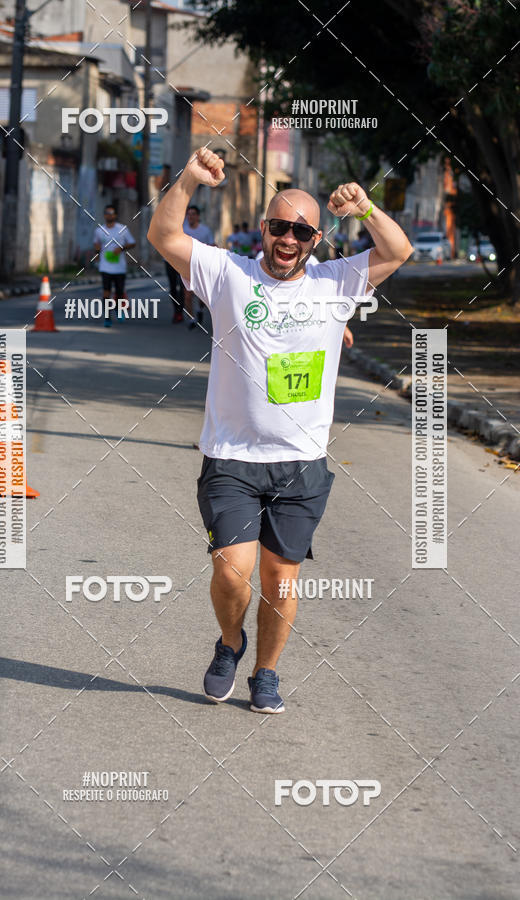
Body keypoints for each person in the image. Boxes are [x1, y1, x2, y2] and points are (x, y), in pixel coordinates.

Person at [148, 147, 412, 714]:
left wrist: (364, 209)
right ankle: (230, 642)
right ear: (262, 230)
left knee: (281, 579)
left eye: (301, 231)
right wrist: (191, 179)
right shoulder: (227, 274)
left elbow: (398, 250)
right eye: (278, 227)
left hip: (301, 462)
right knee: (230, 572)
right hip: (231, 458)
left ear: (316, 239)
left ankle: (265, 673)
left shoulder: (336, 284)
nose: (288, 239)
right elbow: (164, 234)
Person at [93, 204, 136, 327]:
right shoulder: (99, 230)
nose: (109, 215)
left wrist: (121, 248)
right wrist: (97, 251)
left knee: (119, 292)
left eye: (111, 213)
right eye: (107, 213)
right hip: (105, 266)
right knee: (106, 293)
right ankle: (107, 317)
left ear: (115, 215)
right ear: (104, 215)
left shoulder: (122, 229)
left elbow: (132, 243)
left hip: (119, 267)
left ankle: (118, 309)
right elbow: (96, 243)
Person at [182, 204, 215, 330]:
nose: (190, 217)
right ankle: (191, 319)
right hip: (187, 267)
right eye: (188, 214)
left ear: (198, 216)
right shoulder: (183, 230)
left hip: (202, 267)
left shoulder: (205, 230)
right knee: (187, 295)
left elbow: (212, 246)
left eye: (193, 214)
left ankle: (199, 309)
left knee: (201, 296)